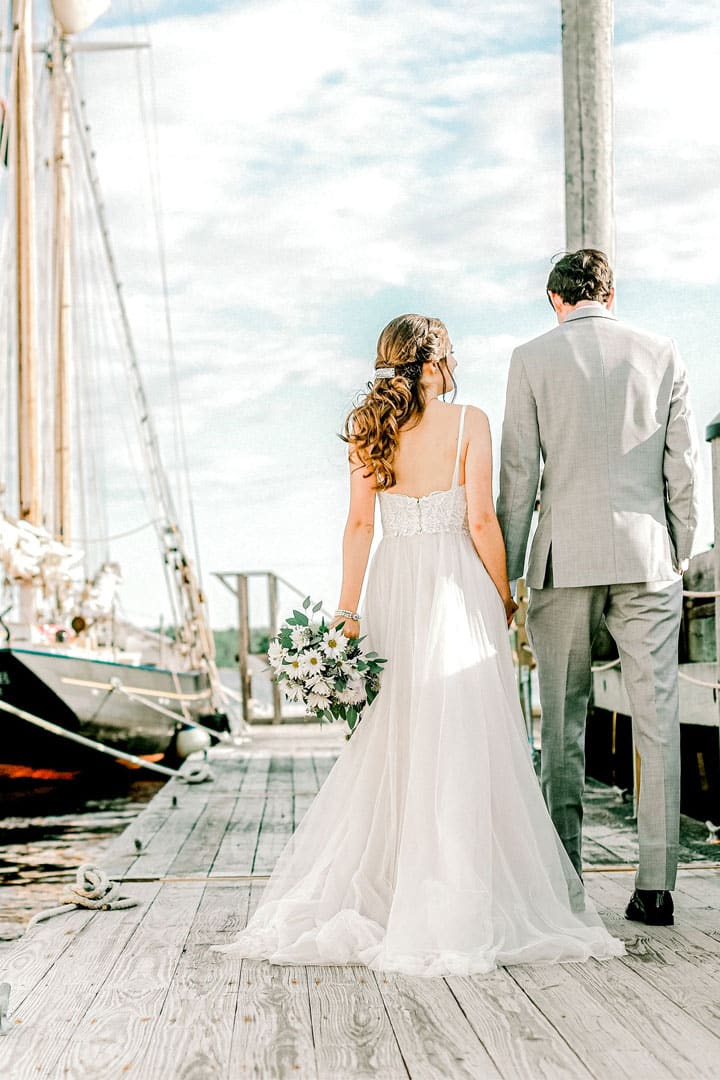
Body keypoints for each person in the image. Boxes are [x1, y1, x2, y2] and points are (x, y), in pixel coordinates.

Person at [214, 314, 623, 976]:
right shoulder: (470, 423)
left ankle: (397, 881)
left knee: (399, 732)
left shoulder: (369, 427)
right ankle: (456, 883)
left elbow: (356, 526)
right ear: (435, 364)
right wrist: (505, 594)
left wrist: (346, 615)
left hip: (392, 584)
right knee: (461, 730)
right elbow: (483, 519)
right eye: (451, 354)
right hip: (454, 586)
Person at [497, 250, 700, 927]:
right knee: (657, 723)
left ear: (554, 299)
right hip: (647, 556)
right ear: (611, 293)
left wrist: (508, 572)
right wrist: (680, 549)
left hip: (562, 559)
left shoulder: (531, 358)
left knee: (562, 727)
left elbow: (519, 476)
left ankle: (564, 888)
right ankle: (655, 890)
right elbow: (683, 467)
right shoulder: (661, 351)